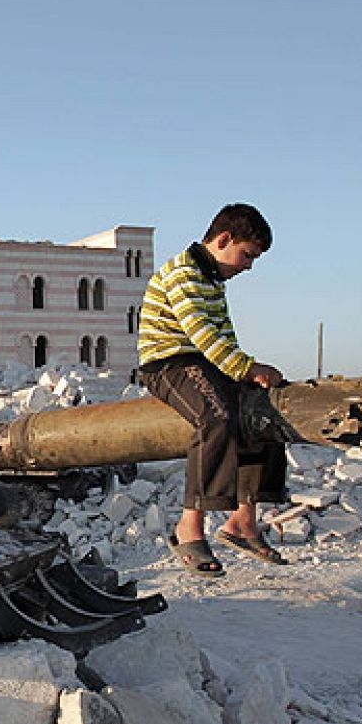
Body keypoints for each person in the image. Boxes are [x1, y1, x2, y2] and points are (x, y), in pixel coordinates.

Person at [136, 203, 288, 577]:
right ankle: (188, 527)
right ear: (224, 240)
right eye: (247, 255)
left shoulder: (212, 280)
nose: (248, 266)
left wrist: (246, 379)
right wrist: (246, 367)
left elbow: (224, 336)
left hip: (203, 362)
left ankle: (243, 521)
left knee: (261, 414)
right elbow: (203, 334)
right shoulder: (183, 274)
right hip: (168, 363)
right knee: (216, 418)